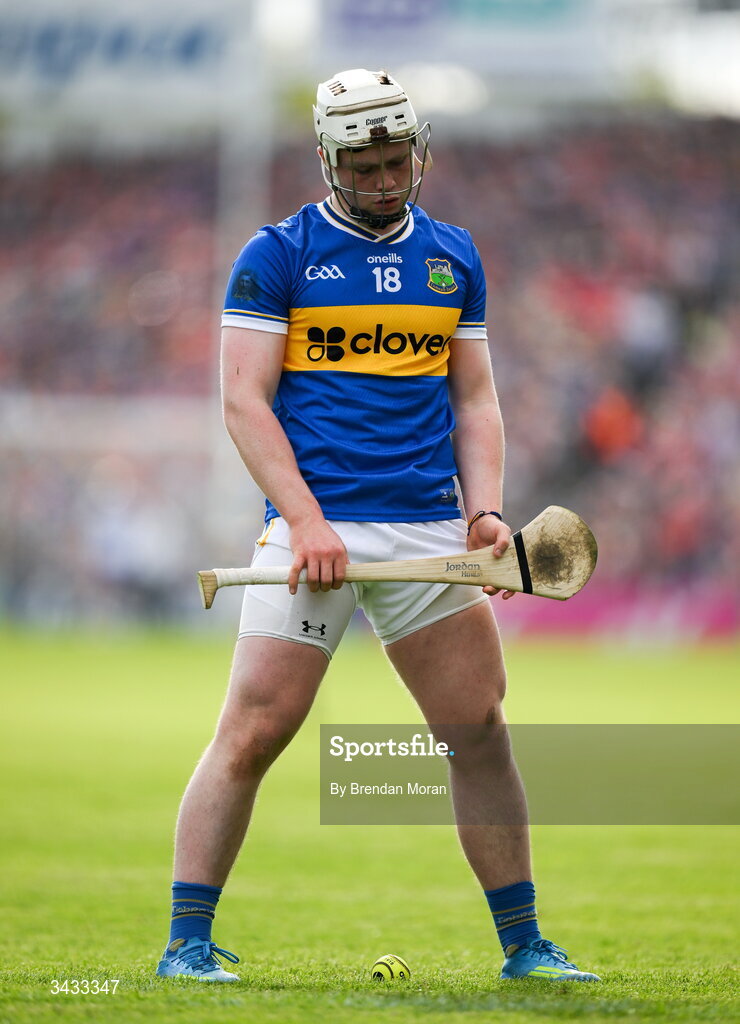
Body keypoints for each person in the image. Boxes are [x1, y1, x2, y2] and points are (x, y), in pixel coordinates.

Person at [156, 68, 600, 984]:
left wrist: (483, 509)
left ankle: (525, 948)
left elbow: (474, 398)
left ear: (418, 152)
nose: (384, 181)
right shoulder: (276, 254)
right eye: (363, 167)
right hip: (312, 531)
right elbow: (245, 401)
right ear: (328, 160)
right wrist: (307, 522)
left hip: (427, 535)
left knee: (478, 727)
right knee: (254, 730)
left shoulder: (454, 255)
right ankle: (186, 946)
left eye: (396, 162)